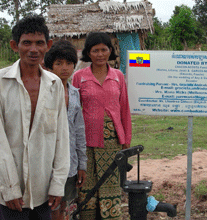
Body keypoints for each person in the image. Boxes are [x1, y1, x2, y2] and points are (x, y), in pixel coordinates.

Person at [0, 15, 70, 219]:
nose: (33, 49)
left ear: (48, 45)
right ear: (15, 45)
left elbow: (61, 137)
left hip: (43, 188)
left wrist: (58, 184)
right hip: (9, 191)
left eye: (39, 43)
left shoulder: (55, 84)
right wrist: (10, 188)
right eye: (26, 43)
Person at [72, 32, 132, 220]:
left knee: (110, 183)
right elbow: (73, 112)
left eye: (103, 49)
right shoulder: (79, 77)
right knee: (86, 183)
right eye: (95, 50)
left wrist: (126, 140)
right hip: (86, 141)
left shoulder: (118, 76)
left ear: (110, 51)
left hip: (112, 140)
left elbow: (124, 109)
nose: (100, 54)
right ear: (88, 53)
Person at [44, 40, 87, 220]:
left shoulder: (75, 93)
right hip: (47, 162)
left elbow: (79, 131)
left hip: (70, 161)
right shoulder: (43, 92)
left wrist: (82, 164)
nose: (64, 68)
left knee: (62, 205)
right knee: (47, 205)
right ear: (50, 66)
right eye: (59, 63)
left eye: (69, 63)